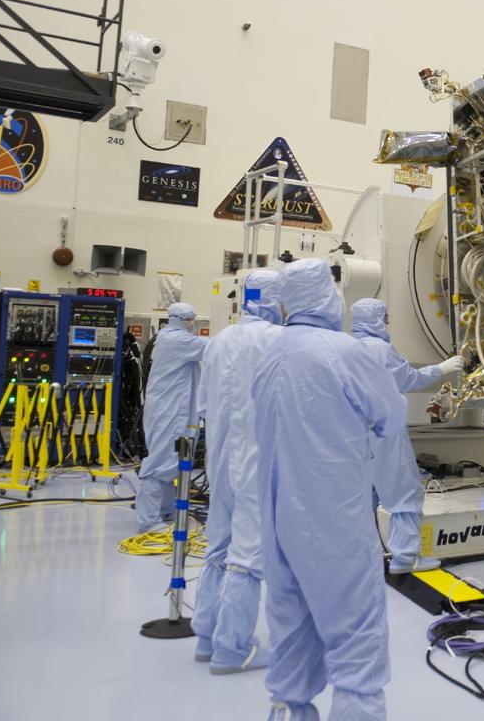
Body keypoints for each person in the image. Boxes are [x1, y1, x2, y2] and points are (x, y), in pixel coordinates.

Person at [253, 259, 405, 721]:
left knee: (291, 634)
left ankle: (287, 711)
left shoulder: (270, 356)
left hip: (278, 523)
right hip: (333, 522)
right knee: (356, 641)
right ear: (326, 294)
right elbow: (392, 418)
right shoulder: (346, 353)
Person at [192, 270, 283, 675]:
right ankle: (233, 649)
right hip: (256, 459)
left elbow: (202, 404)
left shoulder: (220, 340)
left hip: (220, 459)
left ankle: (207, 636)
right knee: (248, 552)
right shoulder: (276, 340)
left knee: (219, 545)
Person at [350, 298, 463, 574]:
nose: (388, 321)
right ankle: (405, 557)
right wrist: (443, 368)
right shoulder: (381, 350)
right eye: (385, 316)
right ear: (377, 318)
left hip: (354, 434)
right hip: (384, 433)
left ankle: (363, 556)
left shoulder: (348, 349)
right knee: (405, 493)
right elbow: (408, 379)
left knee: (363, 497)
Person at [135, 302, 207, 532]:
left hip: (174, 410)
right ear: (180, 320)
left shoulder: (169, 338)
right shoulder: (178, 340)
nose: (193, 324)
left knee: (171, 463)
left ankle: (165, 512)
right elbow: (214, 347)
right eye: (190, 320)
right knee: (160, 463)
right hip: (169, 412)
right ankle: (148, 520)